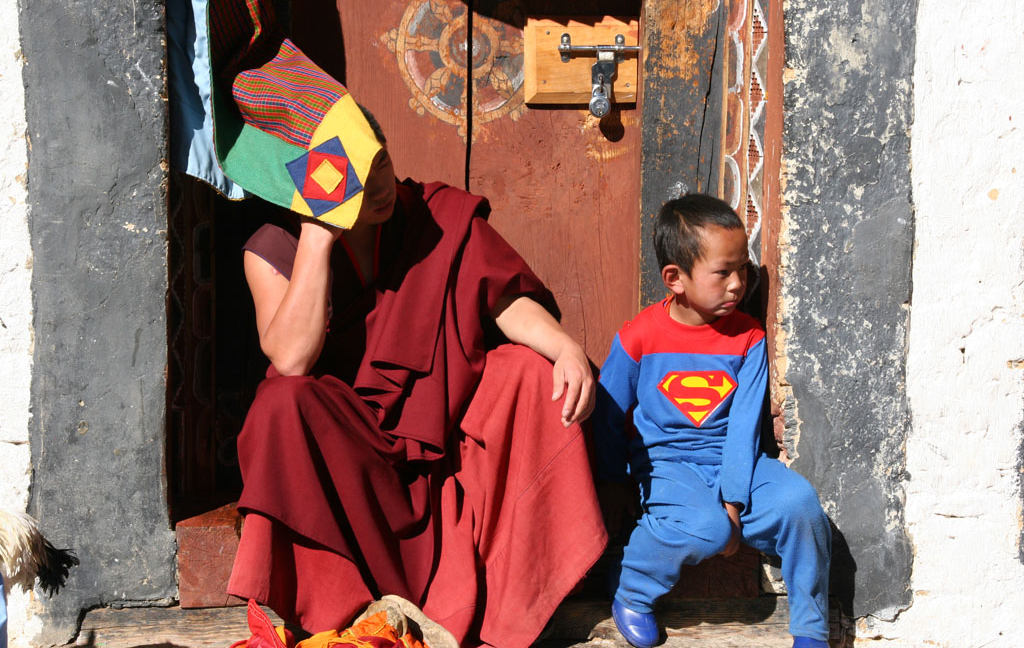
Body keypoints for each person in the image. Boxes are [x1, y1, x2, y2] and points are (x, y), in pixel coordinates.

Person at [225, 116, 608, 648]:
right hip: (342, 454)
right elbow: (291, 359)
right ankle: (343, 612)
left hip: (442, 436)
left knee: (526, 370)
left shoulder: (434, 215)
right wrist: (317, 238)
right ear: (314, 184)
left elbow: (498, 295)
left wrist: (563, 347)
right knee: (281, 403)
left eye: (380, 161)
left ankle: (512, 601)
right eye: (358, 175)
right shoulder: (274, 246)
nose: (380, 186)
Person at [593, 195, 832, 648]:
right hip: (666, 466)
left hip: (734, 462)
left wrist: (734, 497)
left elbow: (744, 426)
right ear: (675, 279)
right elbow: (608, 412)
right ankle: (632, 586)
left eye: (742, 269)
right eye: (723, 272)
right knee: (706, 529)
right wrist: (612, 480)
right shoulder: (640, 338)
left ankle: (811, 625)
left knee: (799, 503)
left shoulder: (748, 339)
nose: (738, 283)